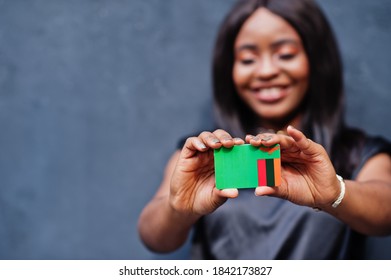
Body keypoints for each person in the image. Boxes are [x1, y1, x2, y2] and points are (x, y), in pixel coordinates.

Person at [138, 0, 391, 259]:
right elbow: (153, 236)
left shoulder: (359, 154)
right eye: (248, 59)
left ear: (315, 60)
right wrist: (179, 210)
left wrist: (334, 194)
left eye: (286, 55)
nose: (267, 71)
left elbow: (386, 211)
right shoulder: (203, 157)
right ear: (230, 70)